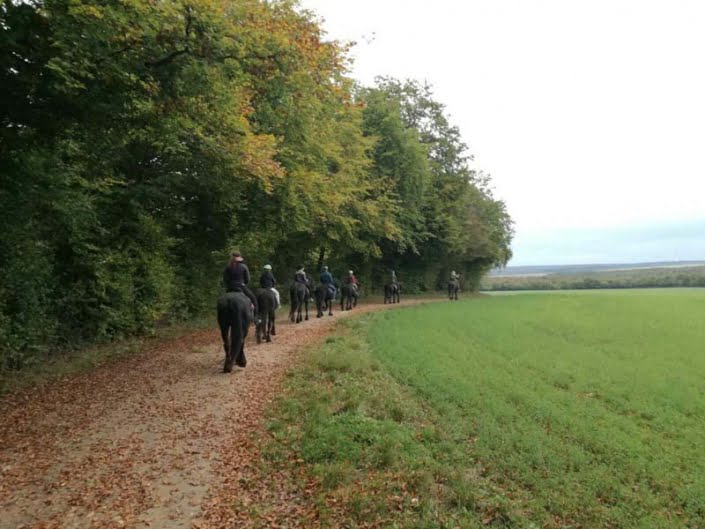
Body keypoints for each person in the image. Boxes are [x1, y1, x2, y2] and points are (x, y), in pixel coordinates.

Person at [223, 252, 258, 316]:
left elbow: (225, 279)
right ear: (240, 258)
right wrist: (244, 283)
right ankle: (256, 318)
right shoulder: (244, 266)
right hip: (241, 286)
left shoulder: (228, 267)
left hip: (230, 287)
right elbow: (247, 279)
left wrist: (229, 284)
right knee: (253, 299)